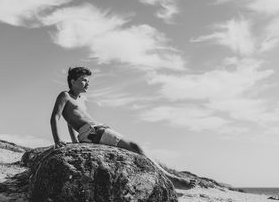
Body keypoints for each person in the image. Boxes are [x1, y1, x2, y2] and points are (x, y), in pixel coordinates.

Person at [50, 66, 196, 189]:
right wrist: (58, 140)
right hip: (93, 132)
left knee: (133, 151)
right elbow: (55, 117)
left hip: (95, 131)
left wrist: (74, 142)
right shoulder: (65, 96)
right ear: (73, 81)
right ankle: (171, 178)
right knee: (135, 146)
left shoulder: (81, 100)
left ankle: (167, 177)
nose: (87, 83)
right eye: (84, 80)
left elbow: (70, 121)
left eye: (88, 81)